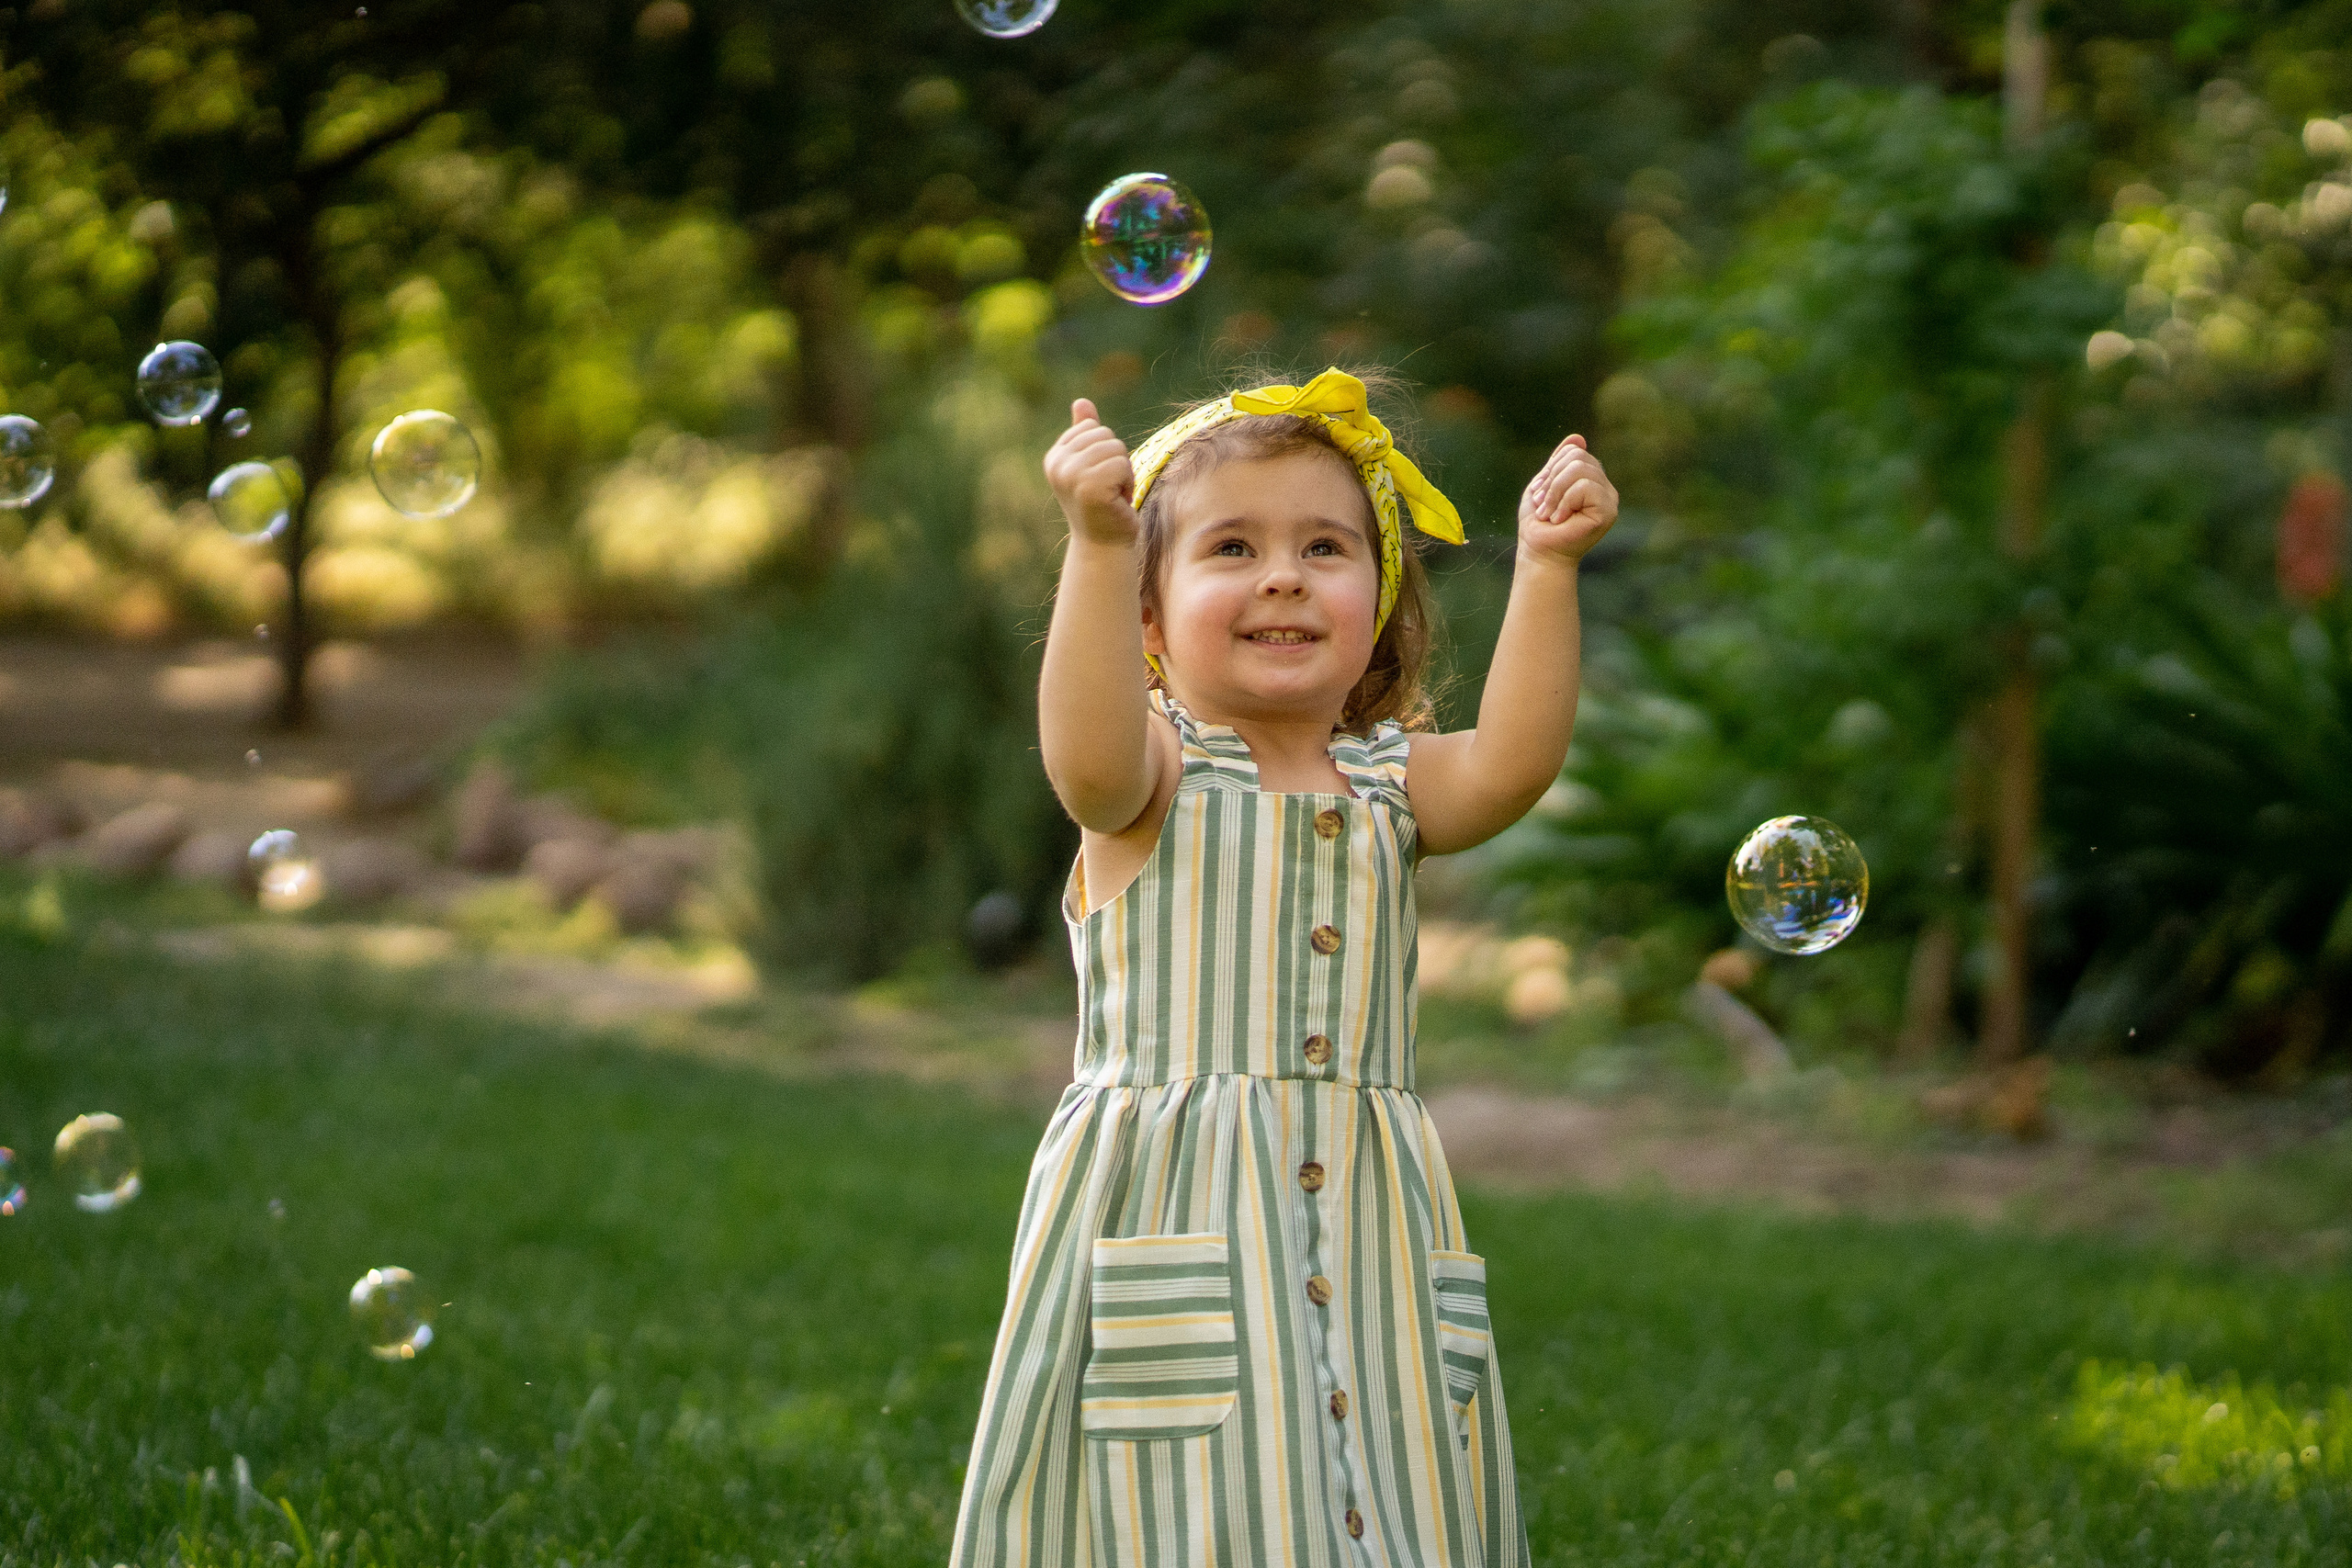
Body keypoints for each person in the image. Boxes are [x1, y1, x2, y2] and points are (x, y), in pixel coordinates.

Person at [951, 366, 1618, 1568]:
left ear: (1378, 600)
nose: (1282, 575)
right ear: (1149, 619)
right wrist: (1098, 543)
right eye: (1232, 549)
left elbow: (1513, 764)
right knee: (1198, 1508)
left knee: (1388, 1477)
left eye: (1326, 546)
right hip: (1182, 1209)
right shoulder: (1152, 779)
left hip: (1367, 1223)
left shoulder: (1391, 783)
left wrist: (1549, 568)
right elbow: (1085, 763)